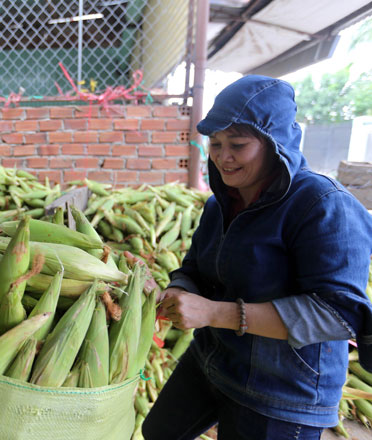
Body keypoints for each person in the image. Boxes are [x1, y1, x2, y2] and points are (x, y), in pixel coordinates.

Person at [141, 75, 372, 440]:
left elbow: (339, 314)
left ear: (275, 144)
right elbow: (195, 269)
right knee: (157, 432)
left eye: (238, 144)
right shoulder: (221, 204)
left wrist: (214, 312)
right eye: (215, 144)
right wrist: (177, 290)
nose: (222, 156)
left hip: (283, 391)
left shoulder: (323, 206)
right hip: (214, 361)